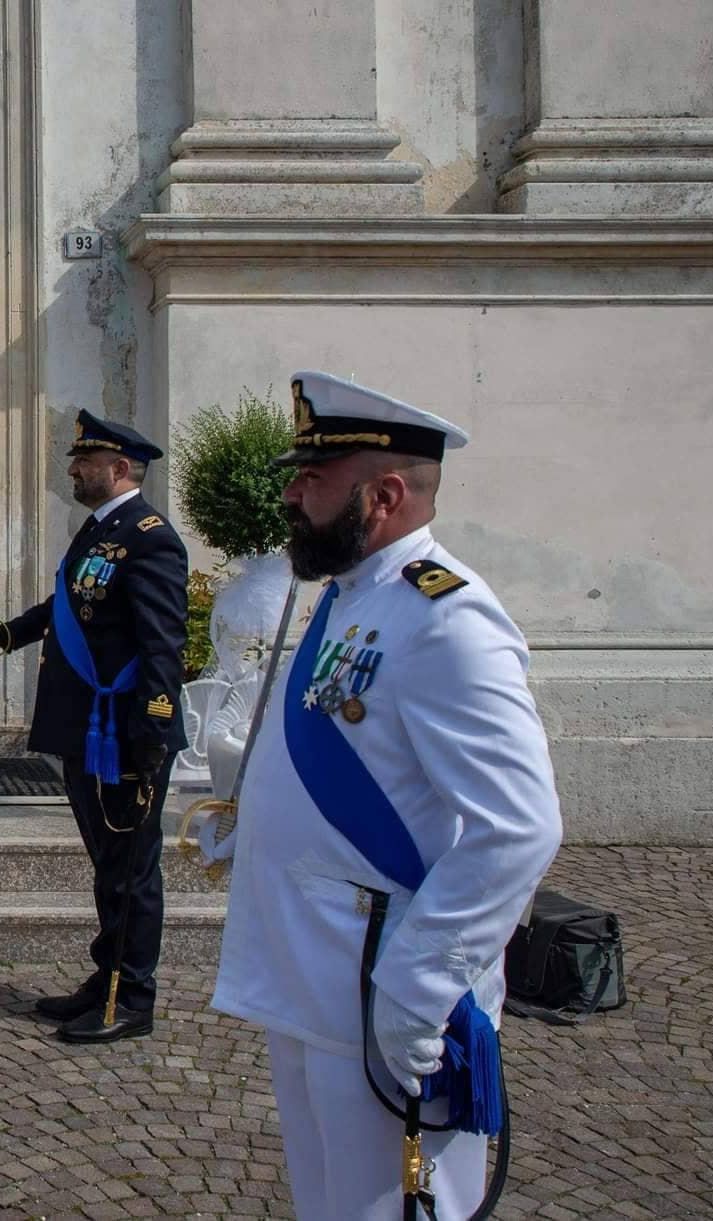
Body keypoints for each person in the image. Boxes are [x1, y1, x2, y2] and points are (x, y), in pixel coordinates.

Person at [201, 372, 562, 1220]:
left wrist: (418, 985)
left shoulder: (447, 618)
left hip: (382, 988)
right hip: (315, 979)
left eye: (312, 479)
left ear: (386, 494)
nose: (288, 492)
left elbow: (518, 827)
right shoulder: (352, 595)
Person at [0, 410, 189, 1044]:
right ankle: (105, 977)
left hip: (124, 735)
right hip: (87, 726)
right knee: (107, 863)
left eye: (84, 461)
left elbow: (164, 645)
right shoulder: (98, 531)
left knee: (132, 868)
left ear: (120, 469)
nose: (72, 469)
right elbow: (66, 607)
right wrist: (7, 633)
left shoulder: (150, 538)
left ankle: (132, 996)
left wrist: (153, 729)